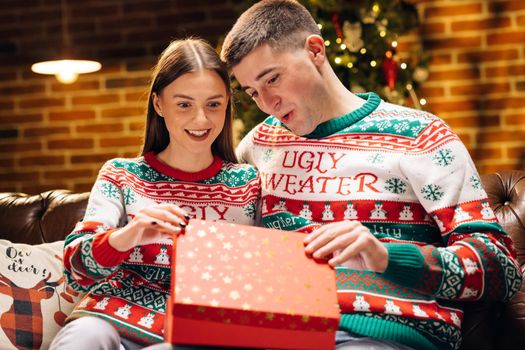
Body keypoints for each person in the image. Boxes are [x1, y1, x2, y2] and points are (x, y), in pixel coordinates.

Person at [220, 1, 523, 350]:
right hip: (274, 331)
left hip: (381, 335)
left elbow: (500, 269)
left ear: (315, 50)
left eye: (272, 78)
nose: (267, 102)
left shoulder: (420, 137)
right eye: (253, 92)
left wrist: (385, 257)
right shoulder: (257, 146)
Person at [50, 38, 260, 350]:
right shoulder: (120, 175)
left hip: (197, 332)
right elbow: (76, 268)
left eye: (213, 104)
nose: (201, 119)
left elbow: (264, 275)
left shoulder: (247, 183)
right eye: (184, 104)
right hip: (109, 318)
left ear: (228, 102)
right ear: (159, 103)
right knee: (86, 337)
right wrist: (128, 235)